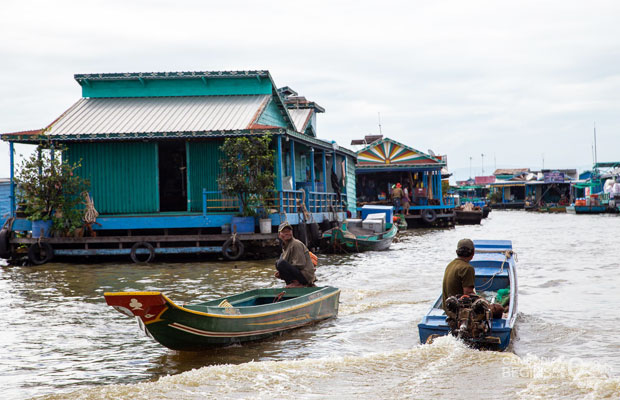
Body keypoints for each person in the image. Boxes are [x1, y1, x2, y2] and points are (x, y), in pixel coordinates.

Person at [442, 238, 504, 318]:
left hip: (448, 310)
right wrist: (487, 303)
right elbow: (468, 293)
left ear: (457, 252)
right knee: (498, 310)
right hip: (458, 313)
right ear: (473, 253)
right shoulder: (467, 268)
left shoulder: (450, 265)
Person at [274, 222, 316, 288]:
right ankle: (293, 282)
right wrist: (281, 273)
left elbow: (300, 264)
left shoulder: (295, 244)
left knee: (280, 263)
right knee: (278, 263)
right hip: (300, 274)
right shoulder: (286, 246)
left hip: (306, 277)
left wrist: (284, 271)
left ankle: (297, 283)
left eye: (289, 231)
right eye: (284, 231)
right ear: (279, 235)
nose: (287, 233)